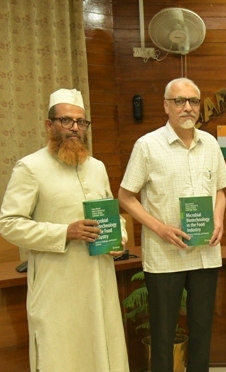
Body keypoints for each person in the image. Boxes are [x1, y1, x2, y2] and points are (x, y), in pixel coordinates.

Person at [0, 88, 130, 372]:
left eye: (81, 122)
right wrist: (64, 233)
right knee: (62, 354)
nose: (75, 128)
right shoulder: (30, 168)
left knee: (102, 351)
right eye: (66, 121)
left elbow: (112, 213)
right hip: (57, 284)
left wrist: (119, 236)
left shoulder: (96, 167)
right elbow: (9, 224)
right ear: (50, 125)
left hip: (99, 280)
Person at [118, 77, 226, 372]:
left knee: (202, 330)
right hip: (165, 256)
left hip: (205, 253)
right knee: (163, 332)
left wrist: (218, 218)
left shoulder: (210, 144)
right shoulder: (147, 145)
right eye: (180, 101)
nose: (187, 108)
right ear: (166, 106)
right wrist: (160, 228)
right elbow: (126, 196)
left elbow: (220, 190)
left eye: (193, 101)